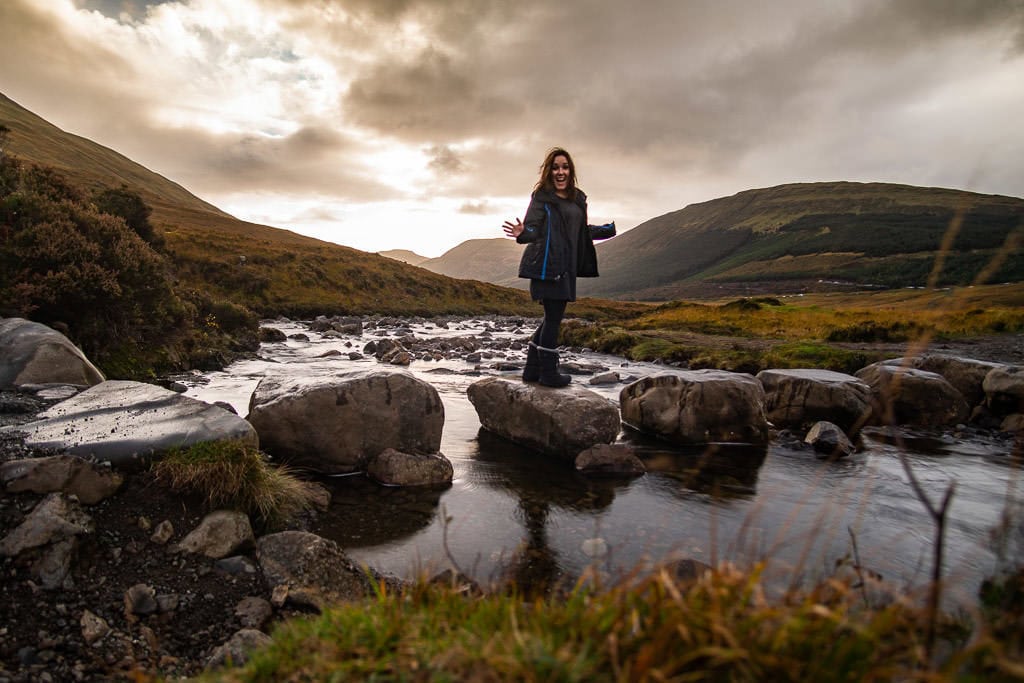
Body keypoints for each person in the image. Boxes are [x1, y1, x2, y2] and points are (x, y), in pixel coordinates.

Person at [502, 148, 616, 387]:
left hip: (567, 265)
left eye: (564, 167)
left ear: (570, 170)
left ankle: (532, 370)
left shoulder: (578, 198)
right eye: (555, 167)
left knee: (549, 318)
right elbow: (533, 229)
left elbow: (578, 230)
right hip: (547, 264)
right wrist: (522, 233)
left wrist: (606, 231)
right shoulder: (542, 197)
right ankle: (548, 373)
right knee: (554, 318)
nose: (560, 171)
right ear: (549, 171)